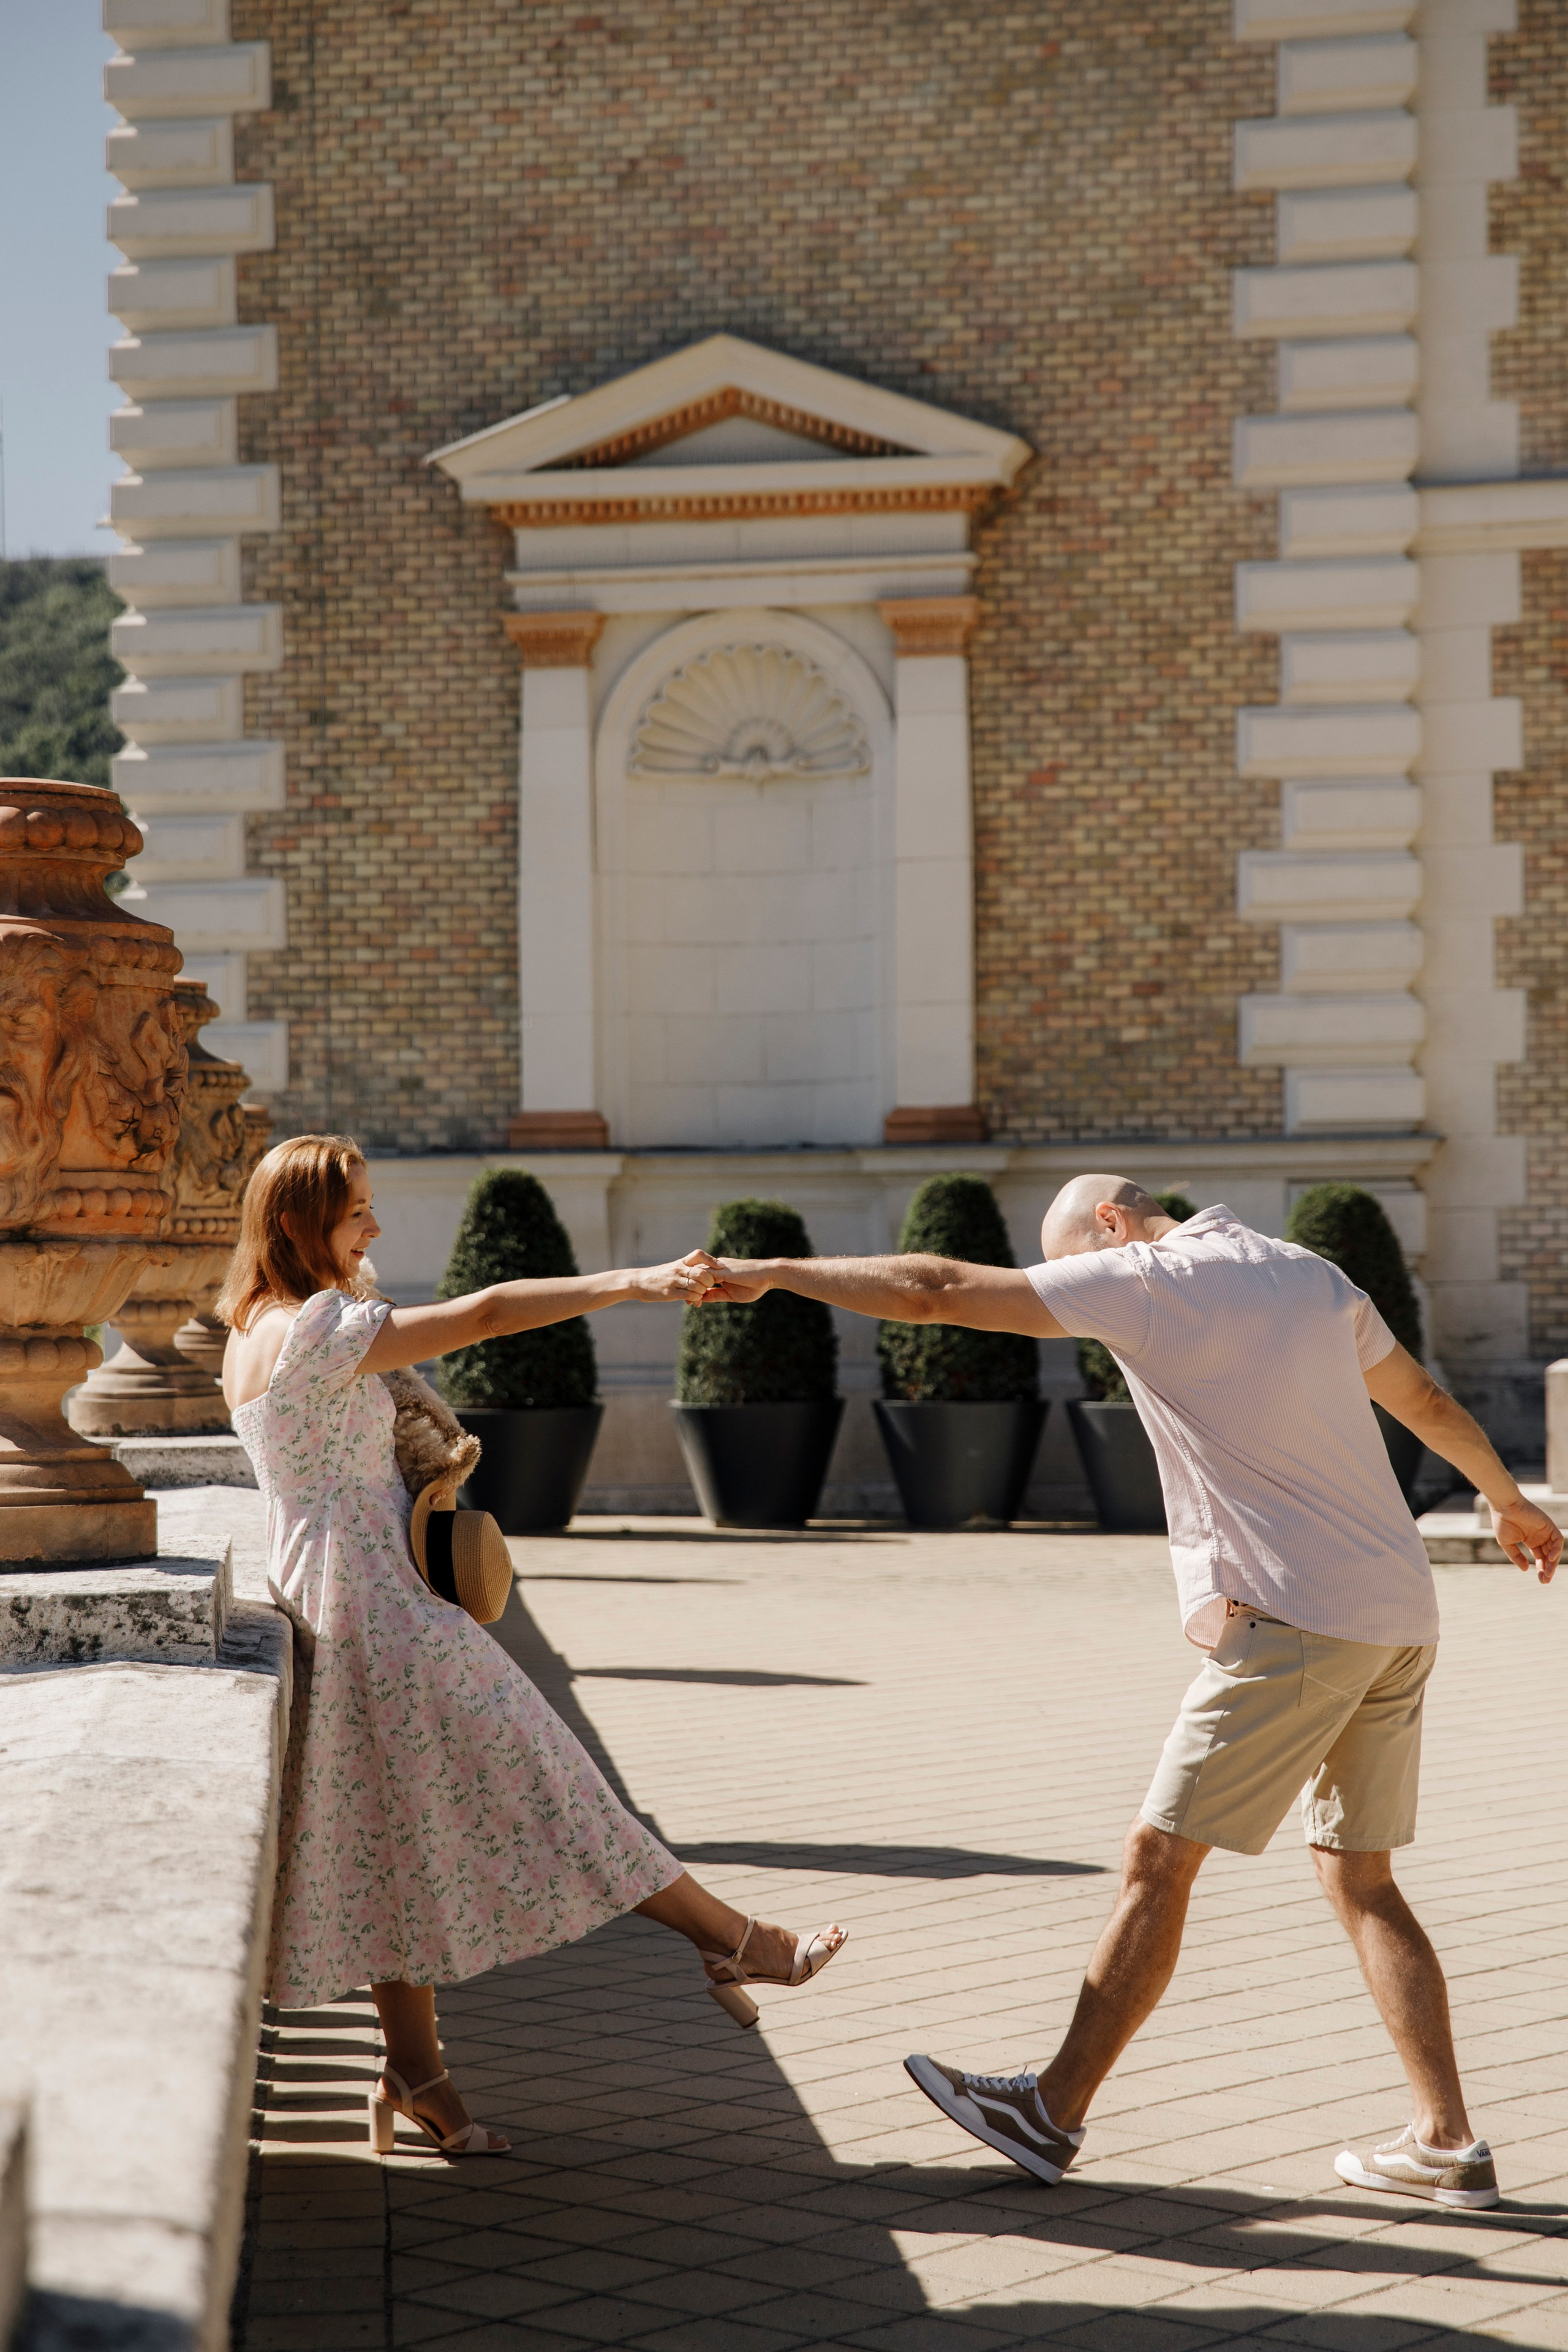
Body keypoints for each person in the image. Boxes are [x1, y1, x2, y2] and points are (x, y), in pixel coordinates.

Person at [698, 1175, 1560, 2208]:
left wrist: (775, 1274)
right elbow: (1424, 1402)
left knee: (1161, 1857)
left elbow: (933, 1289)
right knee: (1360, 1877)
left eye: (1071, 1268)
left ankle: (1047, 2110)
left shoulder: (1148, 1279)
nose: (1071, 1295)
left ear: (1111, 1224)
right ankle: (1448, 2144)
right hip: (1398, 1611)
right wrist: (1510, 1503)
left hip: (1297, 1619)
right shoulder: (1309, 1273)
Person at [218, 1134, 845, 2158]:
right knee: (558, 1786)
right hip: (384, 1613)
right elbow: (492, 1312)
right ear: (293, 1224)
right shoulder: (321, 1326)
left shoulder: (246, 1328)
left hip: (323, 1603)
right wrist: (634, 1281)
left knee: (388, 1841)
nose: (374, 1226)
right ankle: (739, 1943)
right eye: (355, 1212)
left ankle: (418, 2077)